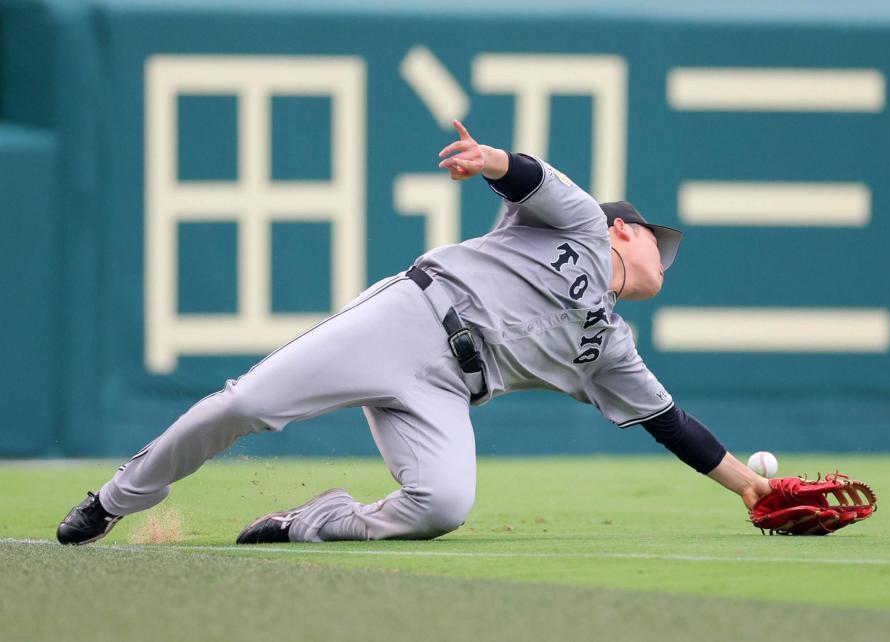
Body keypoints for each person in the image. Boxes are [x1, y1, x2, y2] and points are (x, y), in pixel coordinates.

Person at [56, 121, 771, 546]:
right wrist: (488, 161)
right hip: (409, 319)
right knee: (246, 405)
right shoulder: (584, 224)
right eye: (657, 241)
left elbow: (671, 424)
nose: (663, 257)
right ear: (624, 229)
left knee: (442, 505)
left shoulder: (610, 348)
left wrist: (750, 488)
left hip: (448, 390)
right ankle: (114, 500)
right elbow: (527, 176)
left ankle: (312, 522)